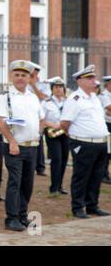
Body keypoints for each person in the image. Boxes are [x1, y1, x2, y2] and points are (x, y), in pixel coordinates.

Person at [0, 60, 45, 231]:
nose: (20, 78)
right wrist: (12, 141)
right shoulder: (6, 96)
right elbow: (1, 121)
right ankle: (11, 218)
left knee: (28, 183)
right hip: (15, 146)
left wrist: (38, 133)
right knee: (14, 182)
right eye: (17, 75)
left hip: (32, 146)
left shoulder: (32, 97)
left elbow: (42, 118)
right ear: (11, 76)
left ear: (29, 78)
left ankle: (23, 215)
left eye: (24, 75)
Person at [60, 65, 110, 218]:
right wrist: (76, 138)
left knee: (96, 176)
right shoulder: (75, 99)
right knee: (82, 176)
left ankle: (92, 205)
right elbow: (64, 123)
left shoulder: (94, 97)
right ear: (80, 81)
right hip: (83, 143)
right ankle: (78, 207)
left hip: (100, 143)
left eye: (94, 78)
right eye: (89, 78)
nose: (93, 81)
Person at [42, 77, 69, 195]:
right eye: (56, 87)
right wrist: (53, 125)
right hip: (52, 133)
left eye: (61, 87)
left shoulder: (68, 102)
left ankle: (60, 186)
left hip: (66, 133)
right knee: (56, 159)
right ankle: (53, 187)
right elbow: (42, 119)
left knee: (64, 159)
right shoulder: (46, 103)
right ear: (52, 89)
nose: (59, 89)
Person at [28, 62, 49, 177]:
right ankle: (30, 165)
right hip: (28, 116)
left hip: (38, 116)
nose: (33, 76)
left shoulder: (43, 85)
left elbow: (43, 97)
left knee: (39, 142)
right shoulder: (24, 84)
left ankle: (40, 167)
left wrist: (34, 85)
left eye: (35, 74)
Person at [99, 76, 111, 185]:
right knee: (107, 151)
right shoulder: (104, 95)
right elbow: (109, 108)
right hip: (107, 125)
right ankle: (104, 174)